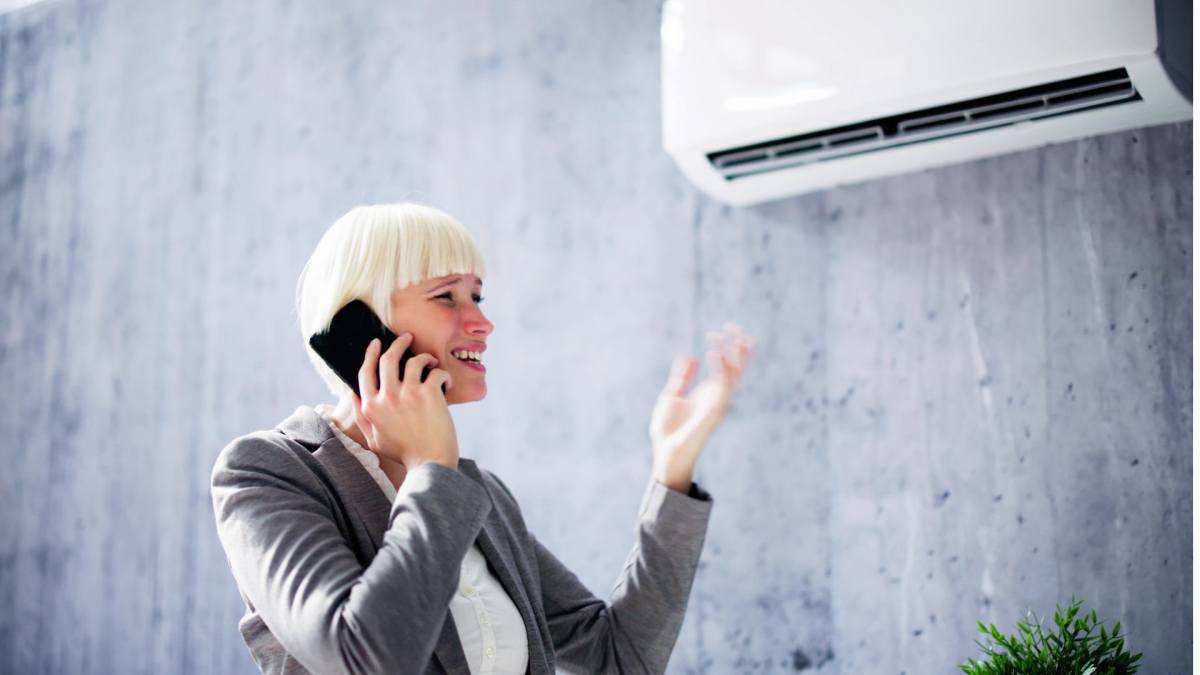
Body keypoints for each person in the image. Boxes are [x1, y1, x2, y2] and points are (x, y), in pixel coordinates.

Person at [210, 203, 757, 674]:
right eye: (447, 297)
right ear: (358, 324)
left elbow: (619, 658)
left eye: (477, 296)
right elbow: (366, 656)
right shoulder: (266, 472)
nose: (482, 322)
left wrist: (672, 470)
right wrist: (430, 470)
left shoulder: (478, 494)